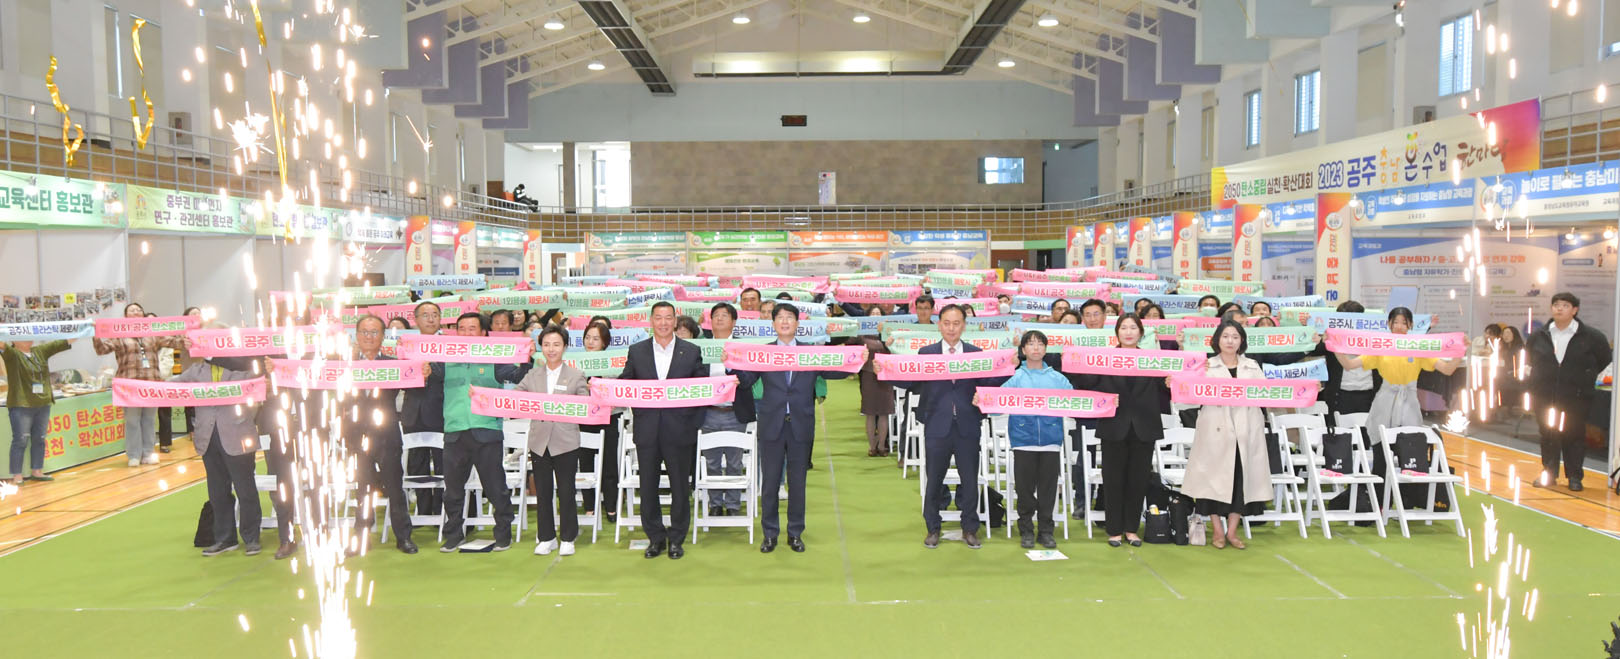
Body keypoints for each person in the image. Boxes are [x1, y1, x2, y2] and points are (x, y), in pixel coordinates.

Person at [887, 304, 1005, 549]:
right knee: (934, 480)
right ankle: (933, 528)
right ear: (939, 325)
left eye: (956, 323)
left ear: (964, 326)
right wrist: (886, 369)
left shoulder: (975, 354)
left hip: (967, 425)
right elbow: (910, 381)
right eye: (947, 323)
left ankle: (970, 528)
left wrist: (1009, 365)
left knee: (969, 480)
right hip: (936, 425)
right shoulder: (927, 354)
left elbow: (989, 381)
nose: (951, 328)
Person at [733, 304, 849, 553]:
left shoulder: (811, 353)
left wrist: (857, 359)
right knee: (770, 483)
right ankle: (770, 534)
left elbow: (835, 371)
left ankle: (795, 532)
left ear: (797, 324)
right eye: (780, 318)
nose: (785, 322)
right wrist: (733, 365)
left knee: (797, 483)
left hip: (800, 424)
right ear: (773, 324)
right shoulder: (764, 354)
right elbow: (747, 380)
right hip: (771, 424)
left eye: (790, 318)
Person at [619, 301, 707, 560]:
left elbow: (702, 387)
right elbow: (626, 383)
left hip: (679, 430)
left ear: (675, 321)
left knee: (680, 487)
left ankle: (677, 538)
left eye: (668, 317)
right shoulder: (637, 351)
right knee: (648, 487)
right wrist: (603, 387)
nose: (663, 323)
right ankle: (655, 538)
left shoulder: (691, 351)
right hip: (647, 430)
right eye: (658, 317)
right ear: (651, 321)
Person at [437, 313, 529, 553]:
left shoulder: (494, 359)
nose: (467, 333)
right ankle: (454, 534)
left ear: (483, 333)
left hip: (487, 431)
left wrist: (526, 357)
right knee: (452, 491)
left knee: (496, 487)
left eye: (472, 328)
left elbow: (519, 376)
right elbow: (423, 373)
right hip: (455, 432)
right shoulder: (445, 359)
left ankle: (503, 534)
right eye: (462, 328)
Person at [1077, 313, 1168, 548]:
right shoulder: (1105, 358)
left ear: (1141, 333)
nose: (1128, 332)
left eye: (1133, 328)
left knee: (1138, 480)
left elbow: (1166, 387)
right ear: (1116, 332)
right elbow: (1087, 383)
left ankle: (1131, 529)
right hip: (1113, 426)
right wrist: (1073, 360)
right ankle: (1114, 530)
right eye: (1124, 327)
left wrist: (1172, 378)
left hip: (1144, 427)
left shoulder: (1152, 359)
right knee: (1113, 480)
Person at [1181, 320, 1273, 550]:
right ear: (1217, 340)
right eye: (1225, 336)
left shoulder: (1252, 366)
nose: (1230, 341)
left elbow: (1267, 394)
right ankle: (1217, 531)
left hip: (1246, 429)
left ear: (1242, 341)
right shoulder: (1206, 365)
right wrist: (1178, 381)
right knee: (1212, 479)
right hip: (1215, 429)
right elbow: (1189, 393)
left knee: (1241, 479)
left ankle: (1232, 532)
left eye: (1235, 336)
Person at [1332, 307, 1460, 465]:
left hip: (1409, 403)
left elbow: (1447, 369)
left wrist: (1459, 352)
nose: (1399, 326)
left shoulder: (1417, 347)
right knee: (1381, 453)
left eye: (1404, 323)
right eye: (1396, 322)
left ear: (1410, 325)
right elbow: (1349, 365)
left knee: (1410, 451)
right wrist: (1335, 347)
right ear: (1389, 324)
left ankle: (1409, 481)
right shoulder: (1381, 346)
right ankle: (1380, 480)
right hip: (1384, 403)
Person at [175, 355, 263, 557]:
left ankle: (251, 538)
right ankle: (225, 538)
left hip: (238, 436)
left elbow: (260, 386)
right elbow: (170, 387)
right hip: (207, 438)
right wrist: (137, 386)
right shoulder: (196, 371)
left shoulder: (243, 369)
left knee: (245, 490)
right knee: (217, 492)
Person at [514, 325, 590, 556]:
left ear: (565, 347)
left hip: (565, 441)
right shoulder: (532, 375)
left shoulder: (575, 375)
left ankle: (568, 537)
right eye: (546, 344)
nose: (551, 349)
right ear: (541, 347)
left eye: (556, 344)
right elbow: (514, 397)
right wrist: (486, 397)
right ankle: (546, 537)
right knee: (543, 492)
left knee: (566, 491)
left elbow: (585, 404)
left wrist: (593, 392)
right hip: (539, 442)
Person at [1525, 293, 1612, 491]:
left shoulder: (1592, 337)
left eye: (1565, 305)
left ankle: (1574, 477)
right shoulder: (1539, 336)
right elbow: (1530, 360)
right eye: (1556, 304)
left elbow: (1604, 361)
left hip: (1576, 397)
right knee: (1548, 435)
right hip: (1545, 395)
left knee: (1574, 435)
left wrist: (1584, 379)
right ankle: (1549, 473)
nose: (1559, 308)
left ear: (1575, 310)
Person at [347, 315, 417, 555]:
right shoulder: (343, 366)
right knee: (362, 488)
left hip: (387, 434)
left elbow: (413, 382)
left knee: (395, 487)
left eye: (374, 332)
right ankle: (361, 537)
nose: (369, 337)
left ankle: (403, 537)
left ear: (383, 336)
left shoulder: (393, 364)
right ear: (357, 335)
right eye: (364, 332)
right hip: (355, 435)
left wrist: (423, 370)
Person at [996, 330, 1069, 549]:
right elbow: (996, 402)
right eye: (1030, 344)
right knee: (1024, 489)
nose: (1035, 348)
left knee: (1048, 490)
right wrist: (982, 400)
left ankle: (1046, 531)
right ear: (1023, 349)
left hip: (1050, 440)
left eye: (1040, 344)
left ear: (1046, 349)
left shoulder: (1058, 378)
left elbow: (1075, 402)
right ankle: (1026, 529)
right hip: (1023, 440)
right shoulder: (1015, 377)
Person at [93, 302, 183, 467]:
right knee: (132, 420)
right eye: (131, 310)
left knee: (149, 420)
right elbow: (102, 349)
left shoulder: (153, 333)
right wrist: (96, 334)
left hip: (151, 383)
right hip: (129, 385)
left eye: (138, 310)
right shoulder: (119, 335)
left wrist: (189, 332)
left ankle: (148, 453)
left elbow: (174, 342)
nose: (135, 312)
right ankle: (134, 454)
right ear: (125, 316)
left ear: (143, 314)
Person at [699, 303, 756, 516]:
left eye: (725, 315)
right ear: (710, 321)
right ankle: (715, 504)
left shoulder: (743, 348)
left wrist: (731, 367)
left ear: (734, 322)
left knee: (734, 462)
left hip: (734, 412)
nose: (720, 319)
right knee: (711, 462)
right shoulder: (701, 348)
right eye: (716, 315)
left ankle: (733, 505)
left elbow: (748, 380)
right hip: (708, 412)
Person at [2, 336, 73, 484]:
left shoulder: (40, 351)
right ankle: (17, 475)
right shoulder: (12, 354)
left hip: (43, 403)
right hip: (22, 404)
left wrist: (86, 327)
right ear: (13, 340)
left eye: (29, 335)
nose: (27, 338)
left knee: (39, 439)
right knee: (20, 440)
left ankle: (37, 470)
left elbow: (62, 342)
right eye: (23, 336)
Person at [401, 301, 445, 518]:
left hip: (441, 412)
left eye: (434, 314)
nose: (430, 319)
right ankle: (423, 510)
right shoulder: (406, 345)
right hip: (413, 413)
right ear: (416, 320)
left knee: (443, 464)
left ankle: (442, 510)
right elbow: (399, 375)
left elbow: (448, 372)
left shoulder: (448, 344)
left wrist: (431, 369)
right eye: (425, 315)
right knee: (417, 464)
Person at [577, 322, 622, 519]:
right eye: (587, 338)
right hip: (583, 418)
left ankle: (611, 506)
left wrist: (602, 388)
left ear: (604, 342)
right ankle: (589, 506)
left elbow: (621, 392)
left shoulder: (613, 364)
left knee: (609, 463)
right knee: (585, 462)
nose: (591, 342)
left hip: (608, 418)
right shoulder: (576, 364)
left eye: (596, 338)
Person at [158, 306, 205, 454]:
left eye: (198, 313)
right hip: (188, 372)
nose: (196, 315)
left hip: (205, 373)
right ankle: (190, 432)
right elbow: (170, 340)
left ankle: (202, 431)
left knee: (202, 405)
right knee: (189, 404)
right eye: (193, 313)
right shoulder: (182, 333)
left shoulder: (207, 331)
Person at [859, 326, 894, 458]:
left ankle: (881, 446)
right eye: (872, 315)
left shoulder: (889, 332)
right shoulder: (862, 335)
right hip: (868, 375)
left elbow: (896, 350)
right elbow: (850, 343)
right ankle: (872, 446)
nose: (875, 317)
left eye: (878, 315)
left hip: (886, 373)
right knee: (870, 413)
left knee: (884, 412)